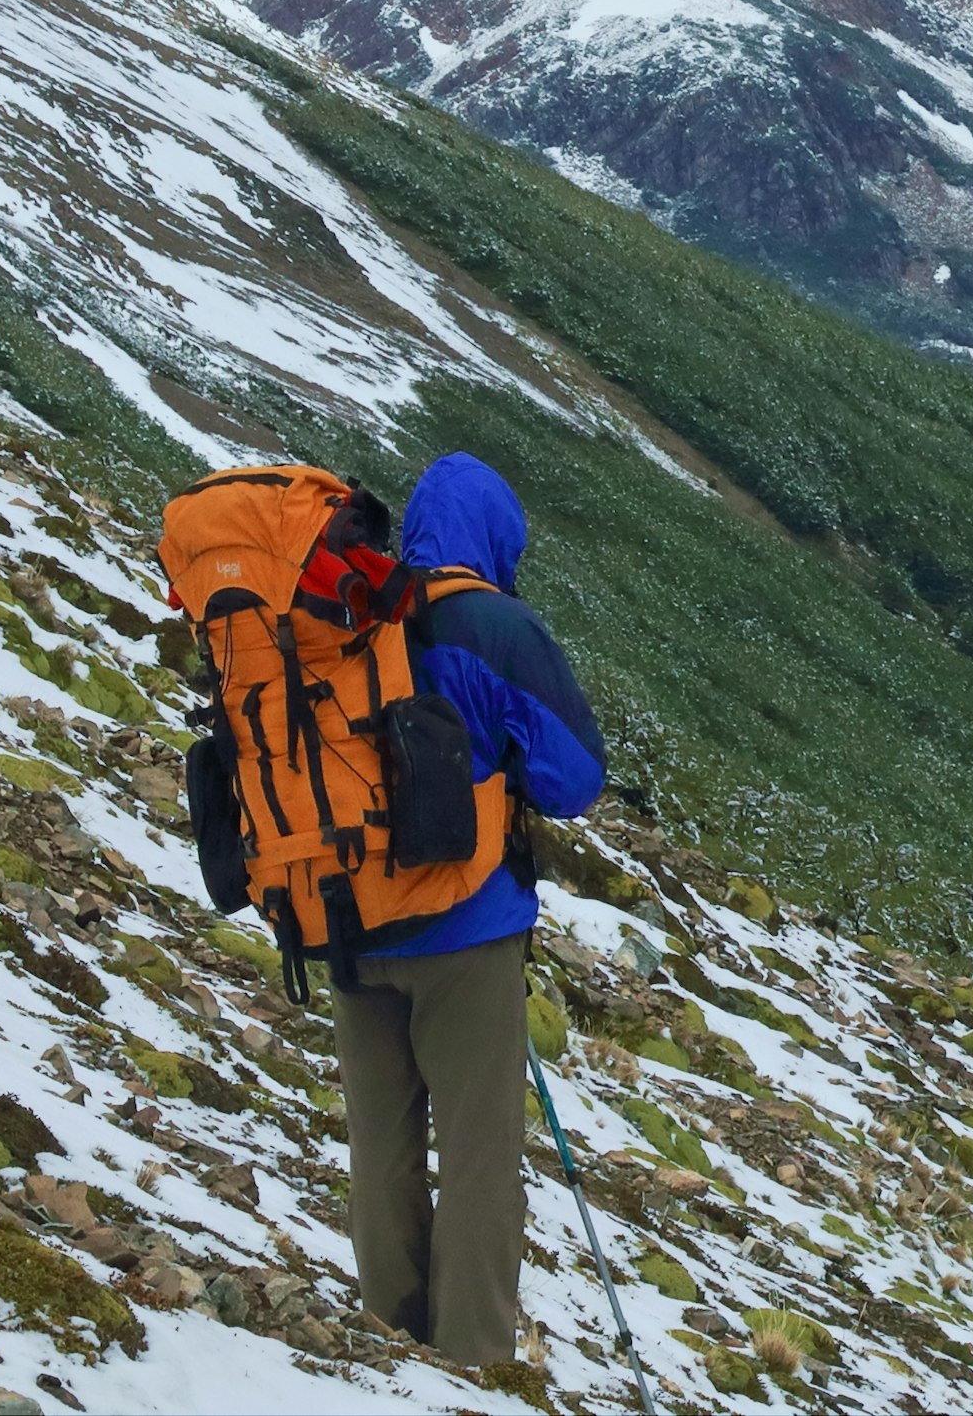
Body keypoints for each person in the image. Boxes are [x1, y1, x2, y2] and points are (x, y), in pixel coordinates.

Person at [331, 453, 603, 1365]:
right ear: (495, 538)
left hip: (349, 921)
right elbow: (574, 779)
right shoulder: (495, 623)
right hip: (468, 926)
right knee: (481, 1151)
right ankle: (472, 1359)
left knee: (382, 1143)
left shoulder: (352, 611)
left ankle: (388, 1341)